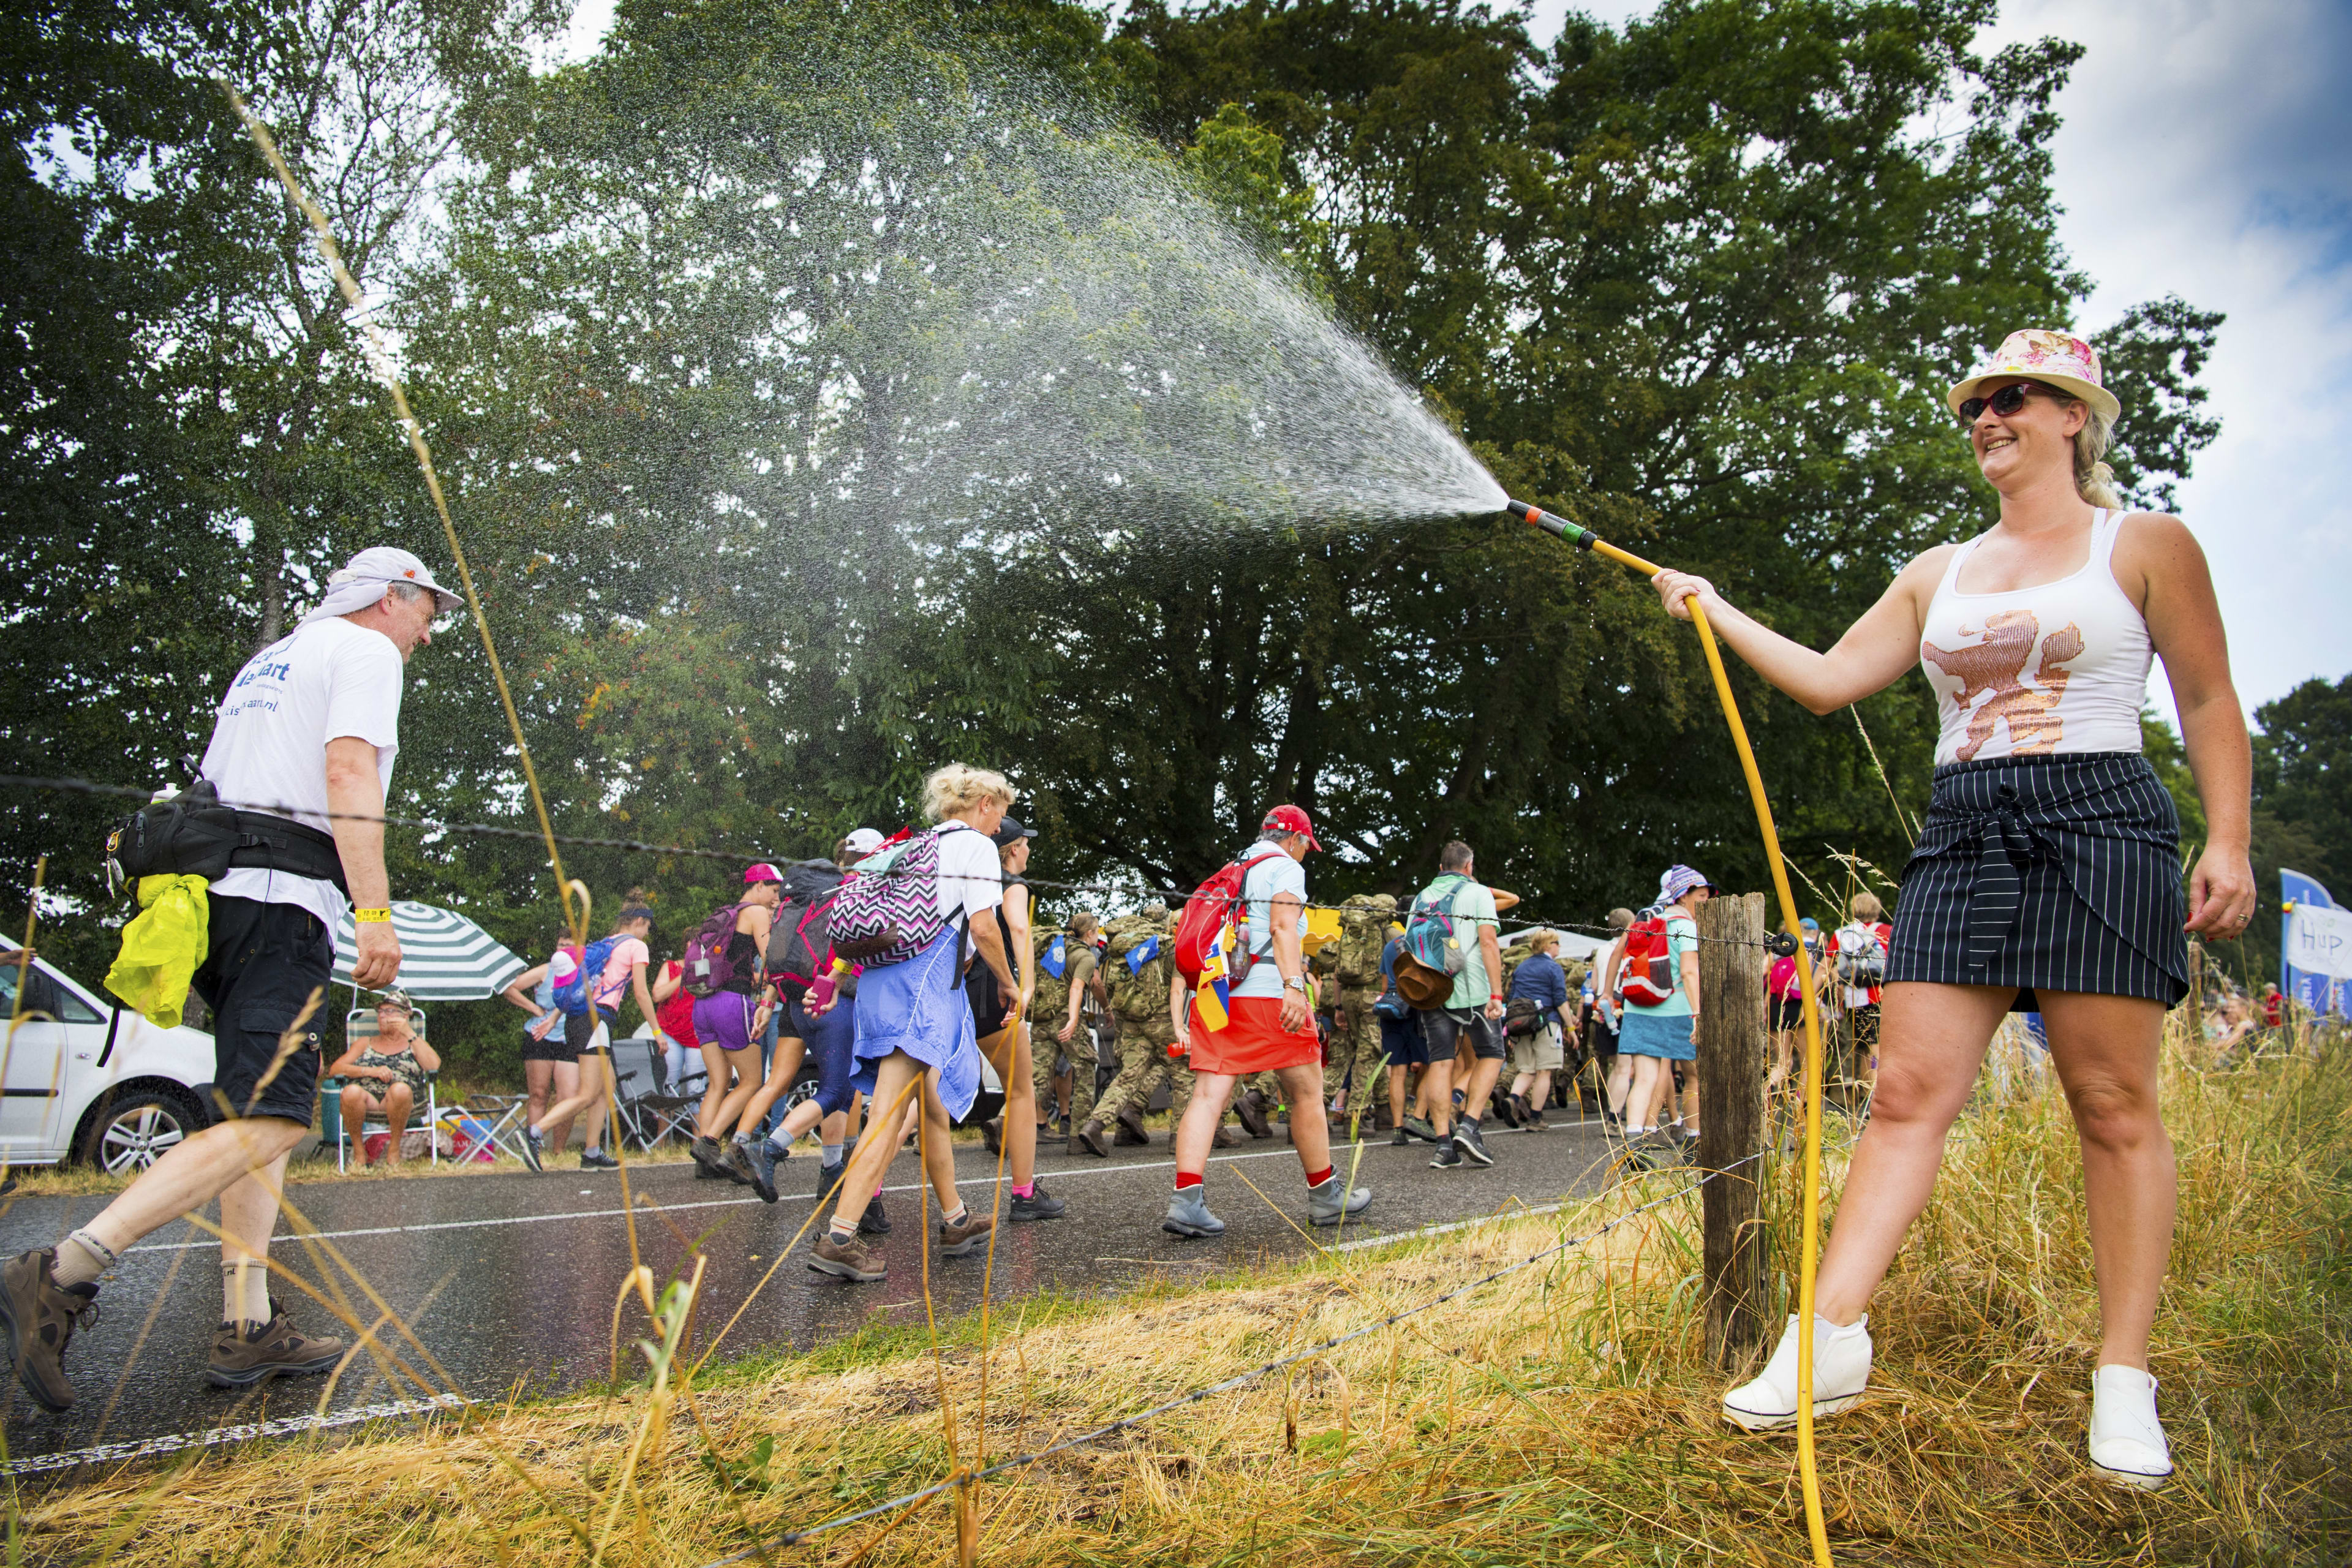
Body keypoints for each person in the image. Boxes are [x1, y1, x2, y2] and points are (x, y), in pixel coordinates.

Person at [1654, 330, 2253, 1489]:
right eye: (1975, 402)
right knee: (1906, 1093)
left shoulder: (2147, 544)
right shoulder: (1940, 569)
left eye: (2014, 398)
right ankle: (1825, 1343)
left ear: (2074, 415)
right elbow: (1832, 680)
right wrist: (1715, 606)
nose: (1986, 415)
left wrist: (2227, 838)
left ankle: (2123, 1379)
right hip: (1964, 825)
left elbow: (2210, 693)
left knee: (2113, 1102)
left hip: (2101, 816)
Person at [4, 546, 455, 1408]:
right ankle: (60, 1272)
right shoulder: (361, 651)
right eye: (426, 613)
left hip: (219, 901)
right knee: (277, 1120)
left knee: (260, 1112)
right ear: (391, 597)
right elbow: (348, 773)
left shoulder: (271, 658)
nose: (426, 635)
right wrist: (374, 912)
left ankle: (247, 1327)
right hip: (285, 901)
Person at [809, 766, 1017, 1282]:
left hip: (883, 981)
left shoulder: (919, 844)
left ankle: (956, 1221)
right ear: (984, 803)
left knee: (932, 1109)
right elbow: (985, 927)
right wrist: (1010, 982)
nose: (1000, 829)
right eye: (1002, 815)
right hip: (922, 987)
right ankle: (839, 1236)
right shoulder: (974, 846)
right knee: (885, 1115)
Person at [1163, 806, 1370, 1237]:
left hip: (1217, 994)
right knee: (1308, 1094)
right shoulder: (1286, 869)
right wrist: (1295, 985)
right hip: (1268, 995)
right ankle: (1326, 1195)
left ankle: (1186, 1202)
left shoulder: (1234, 867)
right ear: (1295, 840)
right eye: (1306, 847)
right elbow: (1282, 927)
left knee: (1206, 1097)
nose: (1305, 855)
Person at [971, 817, 1063, 1221]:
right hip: (993, 993)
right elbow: (1020, 930)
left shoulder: (967, 881)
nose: (1029, 851)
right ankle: (1024, 1196)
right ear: (1011, 850)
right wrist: (1024, 987)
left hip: (955, 991)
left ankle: (869, 1193)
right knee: (1022, 1092)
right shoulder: (1012, 885)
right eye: (1026, 844)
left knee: (917, 1094)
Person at [524, 907, 656, 1172]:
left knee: (605, 1087)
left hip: (580, 1019)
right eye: (648, 928)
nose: (647, 933)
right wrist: (657, 1031)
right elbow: (642, 993)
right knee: (587, 1094)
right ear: (640, 922)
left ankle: (592, 1152)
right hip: (596, 1021)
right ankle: (535, 1133)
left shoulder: (605, 945)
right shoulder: (636, 947)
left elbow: (581, 988)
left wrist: (552, 1019)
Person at [1410, 843, 1506, 1169]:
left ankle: (1442, 1145)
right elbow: (1489, 942)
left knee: (1440, 1062)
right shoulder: (1477, 892)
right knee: (1492, 1054)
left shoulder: (1423, 896)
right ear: (1469, 866)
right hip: (1473, 988)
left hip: (1434, 989)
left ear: (1440, 867)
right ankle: (1469, 1125)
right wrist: (1497, 993)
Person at [687, 868, 783, 1184]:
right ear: (758, 886)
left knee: (718, 1082)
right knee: (752, 1081)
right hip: (732, 1002)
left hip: (703, 1005)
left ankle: (705, 1160)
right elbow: (773, 956)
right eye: (773, 891)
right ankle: (711, 1141)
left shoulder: (724, 915)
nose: (776, 899)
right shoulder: (756, 912)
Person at [1617, 869, 1713, 1151]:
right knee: (1694, 1076)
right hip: (1677, 1011)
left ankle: (1634, 1141)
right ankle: (1695, 1141)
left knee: (1644, 1077)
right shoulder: (1686, 927)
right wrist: (1698, 1014)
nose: (1706, 903)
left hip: (1639, 1007)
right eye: (1702, 896)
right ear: (1683, 896)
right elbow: (1689, 972)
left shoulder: (1648, 922)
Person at [328, 989, 440, 1166]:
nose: (382, 1016)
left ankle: (393, 1150)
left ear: (405, 1016)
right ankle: (359, 1152)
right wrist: (370, 1071)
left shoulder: (414, 1043)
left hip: (404, 1101)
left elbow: (434, 1066)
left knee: (400, 1089)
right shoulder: (365, 1042)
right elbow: (336, 1069)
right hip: (368, 1100)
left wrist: (409, 1033)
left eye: (389, 1011)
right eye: (380, 1011)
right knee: (350, 1092)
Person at [1033, 913, 1103, 1153]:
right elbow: (1077, 988)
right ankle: (1077, 1137)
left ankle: (1004, 1123)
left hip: (1041, 1019)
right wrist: (1074, 1018)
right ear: (1090, 933)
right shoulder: (1085, 956)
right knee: (1085, 1069)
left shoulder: (1054, 947)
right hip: (1064, 1019)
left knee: (1037, 1077)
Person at [1327, 894, 1395, 1136]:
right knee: (1369, 1054)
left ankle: (1386, 1111)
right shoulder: (1388, 934)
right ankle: (1354, 1115)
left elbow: (1337, 972)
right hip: (1374, 997)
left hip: (1348, 995)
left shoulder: (1350, 932)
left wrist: (1339, 1008)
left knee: (1368, 1051)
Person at [502, 958, 581, 1156]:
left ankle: (559, 1151)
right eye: (561, 946)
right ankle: (533, 1149)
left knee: (567, 1097)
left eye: (569, 946)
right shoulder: (546, 970)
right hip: (540, 1035)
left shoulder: (584, 972)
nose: (564, 951)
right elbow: (508, 988)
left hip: (570, 1036)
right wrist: (534, 1008)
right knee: (538, 1093)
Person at [1501, 931, 1573, 1131]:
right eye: (1557, 943)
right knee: (1544, 1071)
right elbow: (1560, 1001)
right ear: (1547, 945)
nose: (1559, 946)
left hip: (1521, 1024)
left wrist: (1508, 1030)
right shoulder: (1553, 968)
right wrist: (1572, 1028)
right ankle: (1535, 1118)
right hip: (1546, 1022)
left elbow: (1513, 997)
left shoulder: (1522, 968)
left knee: (1526, 1070)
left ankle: (1513, 1098)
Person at [1832, 892, 1893, 1095]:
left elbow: (1830, 968)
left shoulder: (1842, 933)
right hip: (1880, 995)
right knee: (1877, 1046)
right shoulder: (1887, 931)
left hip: (1852, 999)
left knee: (1864, 1047)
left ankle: (1866, 1092)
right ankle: (1875, 1096)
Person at [1377, 918, 1429, 1144]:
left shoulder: (1391, 945)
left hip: (1391, 1010)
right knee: (1432, 1065)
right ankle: (1418, 1117)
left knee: (1397, 1071)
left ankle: (1398, 1128)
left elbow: (1384, 985)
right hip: (1416, 1009)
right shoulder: (1423, 943)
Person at [1589, 908, 1635, 1128]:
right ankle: (1615, 1117)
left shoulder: (1599, 950)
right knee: (1625, 1067)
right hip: (1623, 1004)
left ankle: (1610, 1112)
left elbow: (1595, 985)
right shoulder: (1630, 945)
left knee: (1613, 1064)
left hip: (1602, 1006)